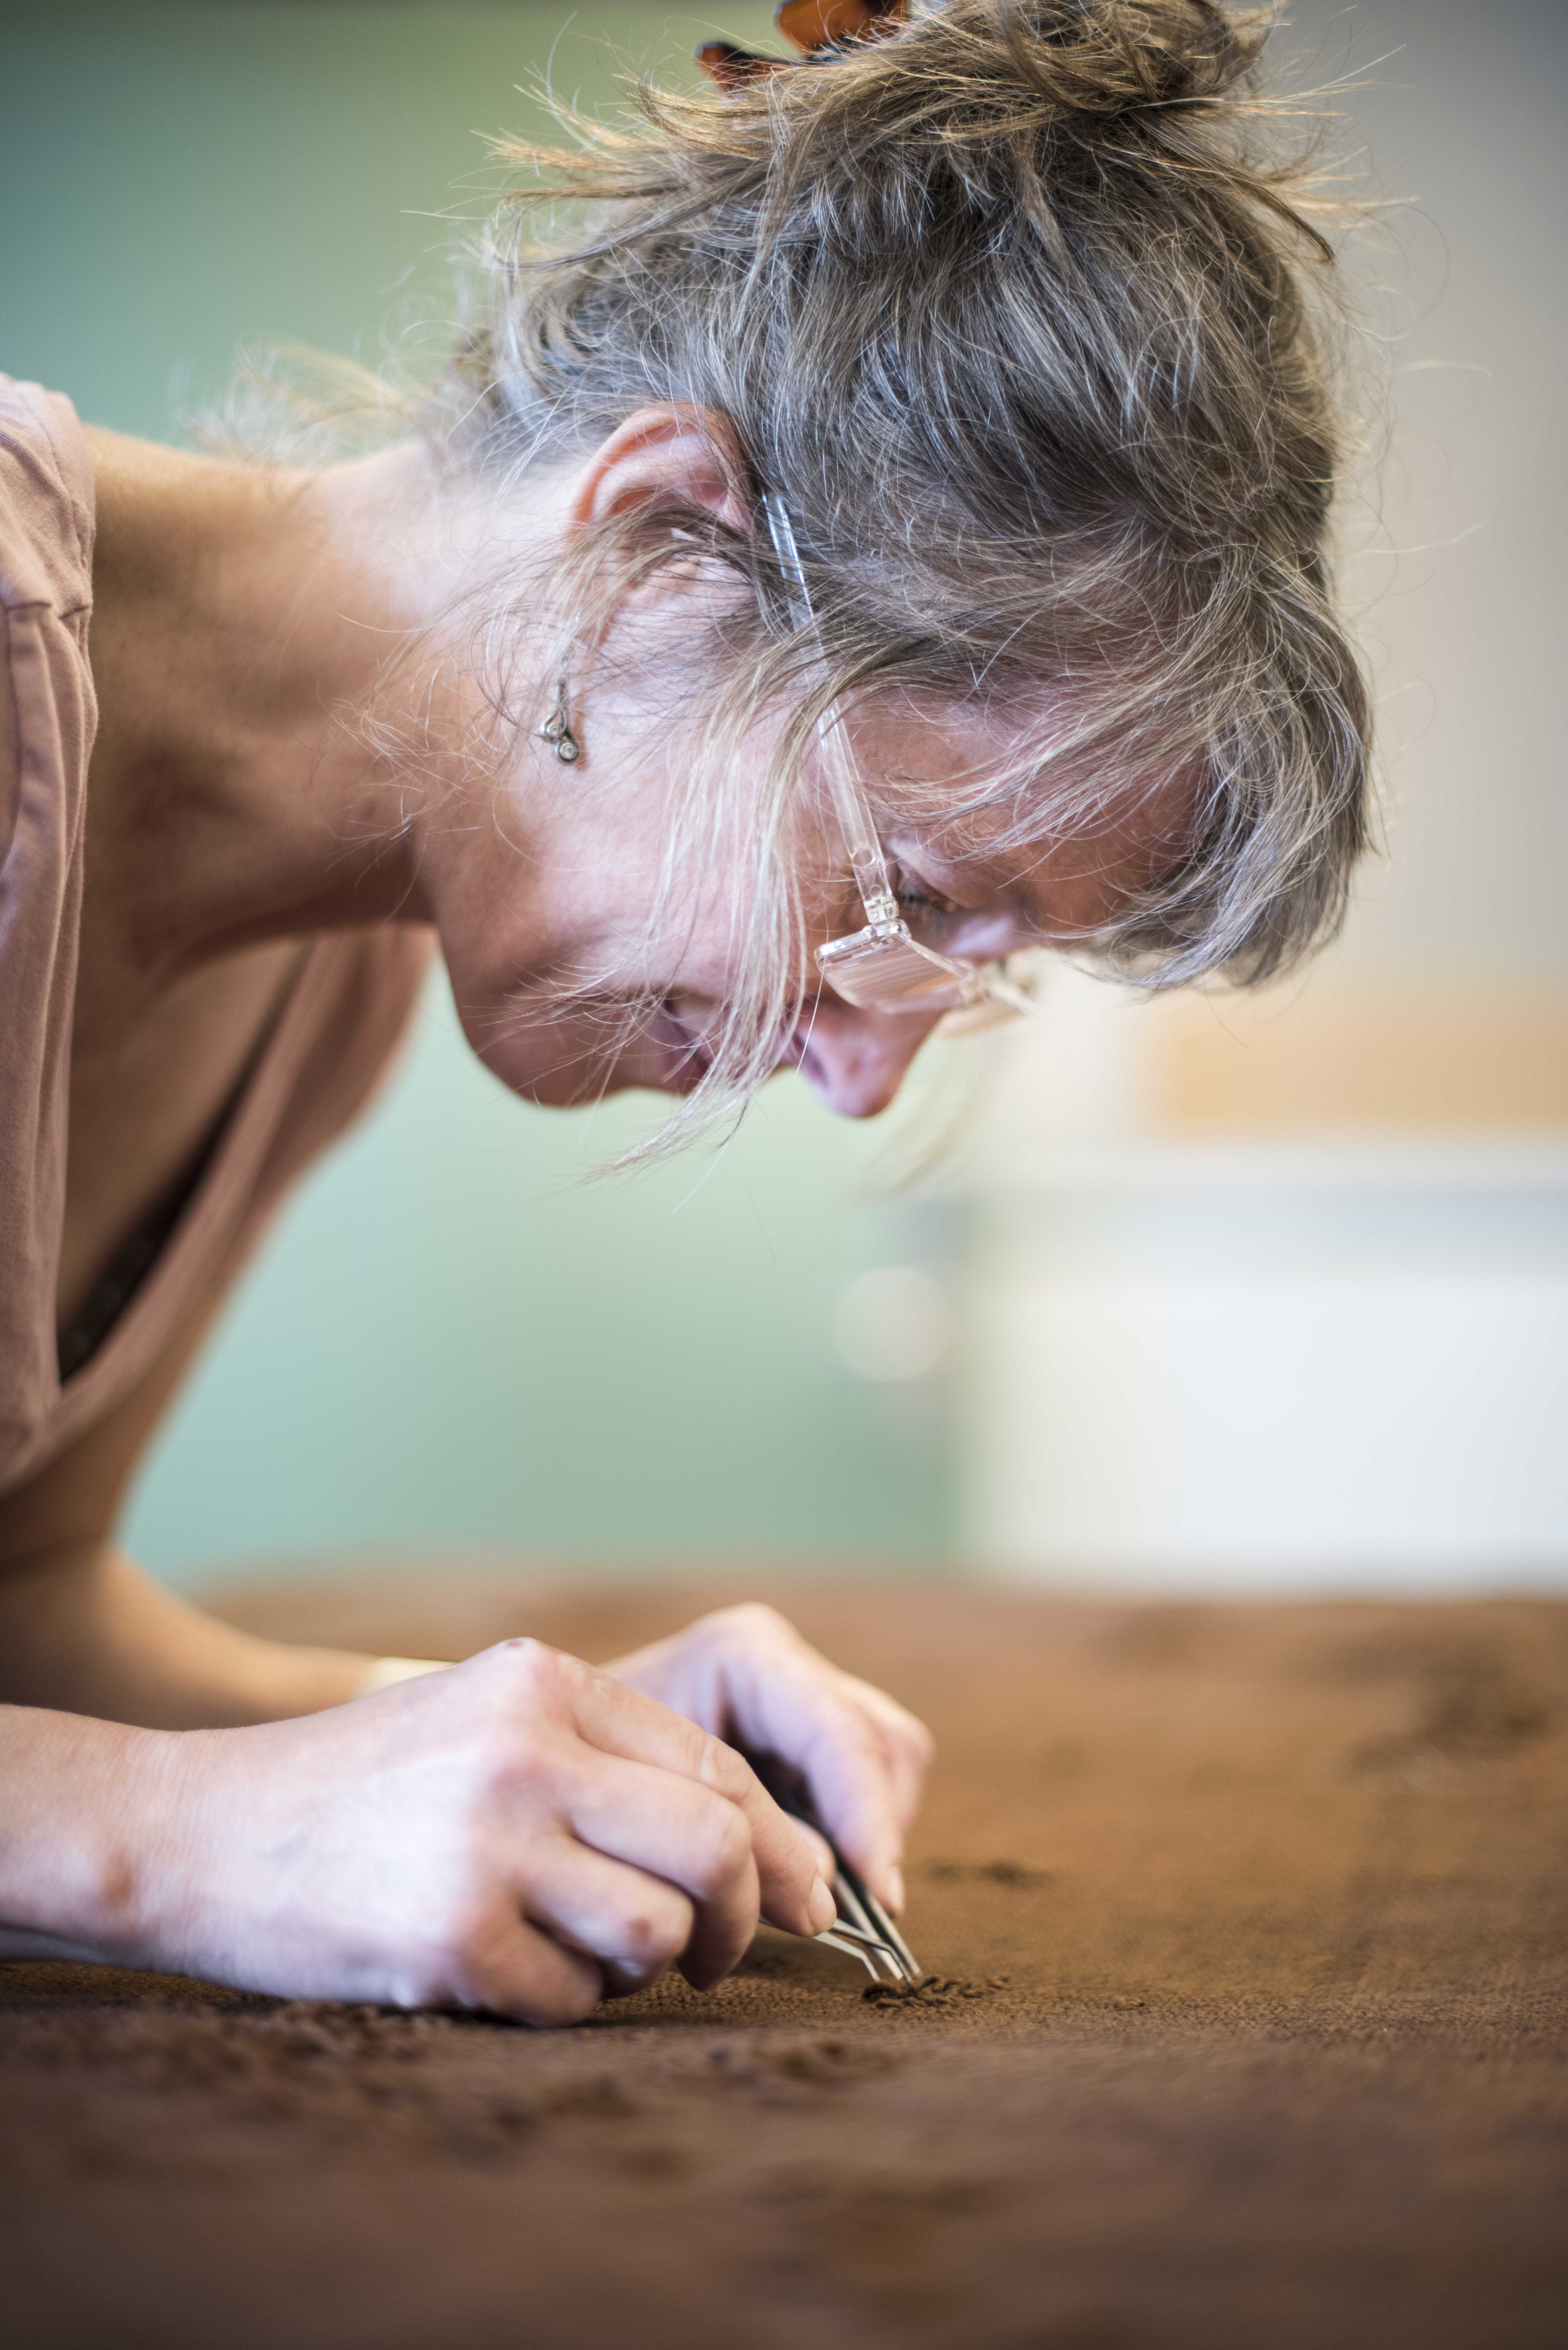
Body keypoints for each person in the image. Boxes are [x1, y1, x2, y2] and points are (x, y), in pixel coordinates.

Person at [0, 0, 1368, 2024]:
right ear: (656, 551)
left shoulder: (336, 968)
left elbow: (21, 1629)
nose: (865, 1066)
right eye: (912, 900)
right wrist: (175, 1840)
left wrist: (496, 1749)